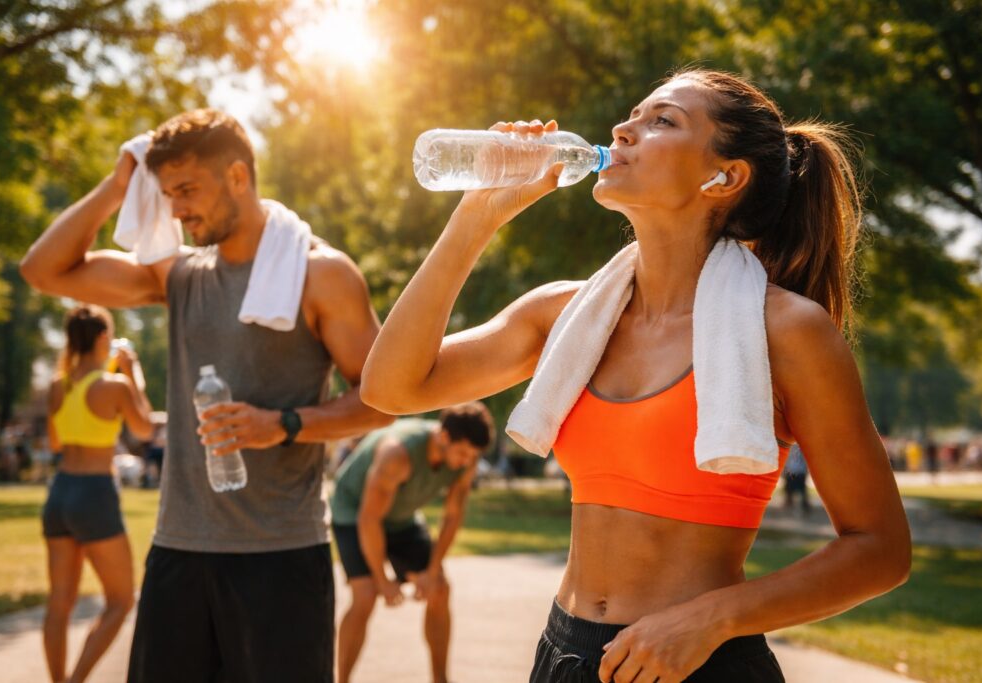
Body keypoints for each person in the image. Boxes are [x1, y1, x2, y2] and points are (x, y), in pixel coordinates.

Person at [361, 68, 911, 682]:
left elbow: (880, 549)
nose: (623, 130)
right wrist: (477, 217)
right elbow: (391, 387)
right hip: (564, 653)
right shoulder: (565, 316)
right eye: (633, 115)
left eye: (662, 121)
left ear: (723, 176)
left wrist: (711, 620)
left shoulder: (784, 330)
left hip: (697, 663)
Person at [21, 109, 393, 683]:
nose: (175, 209)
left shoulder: (321, 274)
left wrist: (284, 424)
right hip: (179, 552)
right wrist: (120, 183)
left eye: (188, 190)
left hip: (282, 557)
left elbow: (381, 399)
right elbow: (43, 269)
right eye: (166, 193)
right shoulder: (179, 277)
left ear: (239, 177)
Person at [331, 402, 494, 683]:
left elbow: (452, 516)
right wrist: (382, 579)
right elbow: (369, 519)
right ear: (444, 438)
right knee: (366, 594)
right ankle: (341, 680)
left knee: (439, 589)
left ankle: (440, 679)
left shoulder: (466, 460)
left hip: (401, 517)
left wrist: (432, 570)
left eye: (473, 456)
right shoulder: (398, 453)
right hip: (354, 512)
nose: (467, 461)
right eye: (463, 453)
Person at [42, 304, 154, 683]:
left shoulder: (59, 384)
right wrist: (132, 373)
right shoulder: (115, 385)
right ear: (104, 338)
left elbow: (55, 442)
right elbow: (145, 429)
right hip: (94, 492)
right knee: (121, 600)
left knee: (59, 602)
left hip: (60, 491)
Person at [782, 444, 810, 513]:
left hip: (798, 470)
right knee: (789, 488)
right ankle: (789, 503)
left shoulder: (801, 447)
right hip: (793, 470)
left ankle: (804, 504)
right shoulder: (792, 446)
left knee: (801, 489)